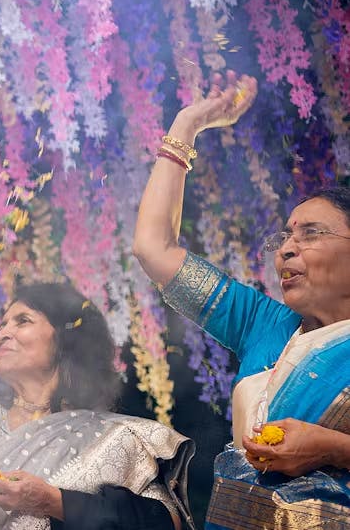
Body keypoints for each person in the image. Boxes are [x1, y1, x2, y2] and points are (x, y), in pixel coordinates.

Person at [0, 170, 192, 530]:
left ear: (65, 340)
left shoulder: (115, 437)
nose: (2, 333)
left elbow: (165, 525)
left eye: (22, 321)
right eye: (2, 323)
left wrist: (53, 502)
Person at [132, 71, 350, 528]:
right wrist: (186, 126)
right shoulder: (265, 325)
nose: (288, 248)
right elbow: (155, 249)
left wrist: (332, 448)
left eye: (311, 234)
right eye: (286, 236)